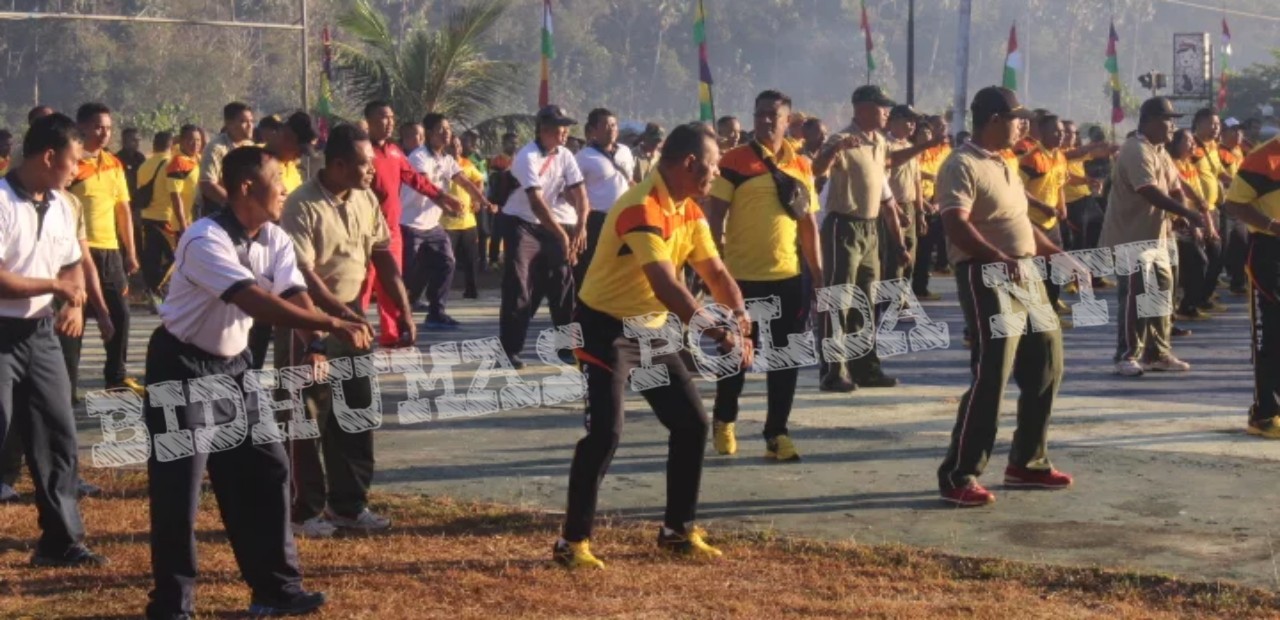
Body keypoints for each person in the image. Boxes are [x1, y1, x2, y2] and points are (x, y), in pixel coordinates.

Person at [143, 146, 373, 618]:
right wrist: (332, 324)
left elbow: (291, 293)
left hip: (235, 369)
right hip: (182, 369)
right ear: (246, 187)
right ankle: (172, 604)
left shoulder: (275, 237)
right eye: (277, 179)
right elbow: (256, 302)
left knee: (268, 472)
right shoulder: (204, 239)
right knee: (179, 492)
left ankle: (276, 590)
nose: (286, 187)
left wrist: (313, 341)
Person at [555, 122, 753, 569]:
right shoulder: (640, 206)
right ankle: (572, 543)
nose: (716, 174)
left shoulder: (690, 210)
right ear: (689, 163)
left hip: (648, 330)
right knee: (606, 433)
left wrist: (739, 319)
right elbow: (666, 284)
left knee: (691, 424)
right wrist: (714, 329)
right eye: (713, 166)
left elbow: (716, 274)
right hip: (603, 330)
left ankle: (676, 532)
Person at [935, 86, 1073, 507]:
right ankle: (959, 473)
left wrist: (1060, 255)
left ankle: (1026, 462)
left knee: (1048, 364)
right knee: (993, 373)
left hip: (1026, 272)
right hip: (988, 275)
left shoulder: (1006, 161)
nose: (1023, 125)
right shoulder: (961, 164)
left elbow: (1019, 224)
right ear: (994, 119)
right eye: (1017, 118)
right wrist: (998, 256)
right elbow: (956, 226)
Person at [278, 124, 415, 538]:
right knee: (307, 419)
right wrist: (331, 323)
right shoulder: (301, 206)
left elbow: (383, 256)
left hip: (353, 319)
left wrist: (402, 309)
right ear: (337, 165)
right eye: (364, 164)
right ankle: (303, 512)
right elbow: (303, 277)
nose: (372, 171)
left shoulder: (364, 199)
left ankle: (349, 506)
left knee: (355, 414)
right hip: (307, 320)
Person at [0, 112, 108, 567]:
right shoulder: (2, 201)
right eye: (74, 159)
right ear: (49, 156)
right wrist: (54, 288)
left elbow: (70, 262)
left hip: (40, 332)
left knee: (57, 434)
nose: (78, 168)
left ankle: (60, 541)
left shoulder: (62, 203)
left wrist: (75, 300)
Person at [705, 89, 822, 460]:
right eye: (759, 114)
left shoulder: (802, 164)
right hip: (739, 280)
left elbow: (808, 226)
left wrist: (818, 276)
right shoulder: (733, 161)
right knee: (735, 354)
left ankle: (777, 433)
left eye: (773, 114)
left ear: (789, 120)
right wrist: (714, 267)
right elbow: (714, 216)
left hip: (789, 276)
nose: (766, 120)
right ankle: (724, 419)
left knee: (786, 359)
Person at [811, 85, 935, 393]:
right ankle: (833, 371)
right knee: (838, 299)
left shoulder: (879, 141)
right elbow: (817, 169)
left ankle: (865, 367)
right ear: (862, 108)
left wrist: (920, 149)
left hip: (870, 228)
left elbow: (890, 166)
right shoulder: (841, 139)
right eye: (881, 108)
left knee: (866, 302)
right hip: (844, 226)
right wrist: (833, 151)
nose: (885, 113)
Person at [1101, 97, 1204, 377]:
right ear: (1150, 121)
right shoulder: (1136, 149)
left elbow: (1173, 187)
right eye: (1168, 119)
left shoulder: (1160, 151)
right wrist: (1187, 213)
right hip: (1131, 236)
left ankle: (1156, 353)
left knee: (1161, 294)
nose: (1173, 125)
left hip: (1158, 236)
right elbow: (1148, 190)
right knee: (1135, 296)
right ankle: (1126, 355)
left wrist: (1182, 213)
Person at [498, 105, 589, 369]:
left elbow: (580, 193)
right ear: (545, 130)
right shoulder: (527, 157)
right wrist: (562, 235)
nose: (566, 133)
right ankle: (510, 350)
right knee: (519, 285)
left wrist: (581, 225)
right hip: (521, 223)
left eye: (567, 128)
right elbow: (536, 203)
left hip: (551, 224)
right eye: (561, 128)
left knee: (562, 282)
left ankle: (565, 347)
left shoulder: (565, 154)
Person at [360, 101, 452, 348]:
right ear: (368, 120)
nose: (388, 122)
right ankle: (352, 334)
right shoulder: (360, 150)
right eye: (382, 117)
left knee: (392, 284)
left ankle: (391, 334)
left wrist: (441, 196)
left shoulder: (395, 152)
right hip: (362, 231)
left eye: (391, 117)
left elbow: (414, 179)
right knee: (362, 285)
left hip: (391, 231)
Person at [67, 102, 143, 396]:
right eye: (98, 127)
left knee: (120, 314)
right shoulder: (72, 164)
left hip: (110, 251)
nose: (104, 133)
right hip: (76, 252)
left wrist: (130, 251)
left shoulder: (113, 163)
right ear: (82, 127)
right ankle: (68, 385)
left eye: (109, 128)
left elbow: (123, 209)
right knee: (76, 319)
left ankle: (116, 376)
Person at [401, 112, 489, 330]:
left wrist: (484, 201)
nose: (447, 133)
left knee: (447, 262)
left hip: (432, 226)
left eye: (449, 129)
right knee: (409, 273)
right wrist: (448, 206)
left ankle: (436, 312)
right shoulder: (419, 157)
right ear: (429, 134)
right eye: (442, 130)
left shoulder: (447, 159)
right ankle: (401, 313)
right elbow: (426, 187)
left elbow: (466, 182)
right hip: (410, 224)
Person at [1223, 131, 1280, 438]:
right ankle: (1264, 413)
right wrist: (1272, 225)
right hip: (1271, 254)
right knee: (1269, 334)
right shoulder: (1263, 157)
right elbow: (1234, 204)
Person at [574, 107, 635, 284]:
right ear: (593, 130)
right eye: (606, 125)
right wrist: (583, 213)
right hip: (598, 218)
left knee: (622, 262)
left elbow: (629, 180)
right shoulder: (583, 157)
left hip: (625, 216)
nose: (612, 129)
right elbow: (572, 189)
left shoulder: (625, 151)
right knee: (594, 262)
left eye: (614, 125)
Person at [1019, 113, 1070, 311]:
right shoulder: (1031, 158)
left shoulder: (1060, 156)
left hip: (1052, 222)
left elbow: (1059, 185)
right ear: (1042, 133)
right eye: (1055, 131)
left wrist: (1062, 206)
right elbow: (1019, 190)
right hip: (1034, 222)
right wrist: (1041, 206)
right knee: (1037, 270)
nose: (1060, 135)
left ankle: (1053, 307)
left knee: (1055, 267)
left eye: (1062, 131)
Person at [1186, 108, 1227, 313]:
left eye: (1218, 125)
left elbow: (1220, 174)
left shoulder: (1212, 147)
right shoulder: (1190, 147)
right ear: (1198, 123)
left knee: (1216, 257)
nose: (1215, 128)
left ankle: (1202, 298)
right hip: (1197, 211)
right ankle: (1190, 302)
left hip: (1213, 209)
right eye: (1211, 124)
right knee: (1203, 258)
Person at [883, 105, 925, 307]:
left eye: (914, 121)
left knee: (911, 256)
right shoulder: (886, 146)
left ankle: (903, 295)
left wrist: (921, 212)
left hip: (909, 205)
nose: (912, 125)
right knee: (894, 256)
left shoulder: (910, 147)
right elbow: (883, 183)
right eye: (908, 120)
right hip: (891, 206)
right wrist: (897, 211)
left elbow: (916, 182)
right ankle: (893, 300)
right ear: (895, 121)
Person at [442, 135, 487, 299]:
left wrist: (477, 198)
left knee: (471, 259)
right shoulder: (441, 163)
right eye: (452, 146)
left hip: (468, 222)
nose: (456, 149)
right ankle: (442, 293)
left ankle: (471, 290)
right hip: (446, 223)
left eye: (458, 146)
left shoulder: (466, 164)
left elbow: (479, 179)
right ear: (446, 147)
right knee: (447, 261)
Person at [136, 131, 176, 306]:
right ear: (172, 145)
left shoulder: (144, 165)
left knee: (152, 257)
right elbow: (174, 193)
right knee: (176, 257)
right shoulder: (170, 164)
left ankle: (153, 292)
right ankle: (161, 290)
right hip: (166, 218)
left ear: (154, 145)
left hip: (147, 217)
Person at [914, 116, 952, 297]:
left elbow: (939, 176)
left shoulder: (940, 150)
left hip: (933, 203)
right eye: (923, 133)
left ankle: (921, 287)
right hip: (916, 203)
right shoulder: (913, 151)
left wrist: (936, 201)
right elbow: (910, 178)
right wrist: (925, 204)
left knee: (926, 249)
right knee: (913, 250)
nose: (927, 136)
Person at [198, 101, 256, 216]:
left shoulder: (250, 146)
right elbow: (207, 184)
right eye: (243, 121)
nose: (250, 126)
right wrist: (235, 205)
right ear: (229, 124)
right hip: (221, 211)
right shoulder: (216, 148)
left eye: (252, 121)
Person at [1220, 119, 1249, 295]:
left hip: (1240, 206)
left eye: (1240, 131)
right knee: (1223, 248)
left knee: (1242, 244)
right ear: (1224, 133)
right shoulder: (1218, 152)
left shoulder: (1239, 150)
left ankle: (1238, 283)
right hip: (1224, 205)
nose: (1239, 134)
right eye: (1234, 131)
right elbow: (1220, 175)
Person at [487, 132, 520, 269]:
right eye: (511, 142)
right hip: (500, 202)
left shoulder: (519, 159)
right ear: (504, 143)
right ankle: (493, 259)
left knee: (512, 233)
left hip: (516, 202)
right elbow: (493, 181)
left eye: (516, 142)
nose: (514, 145)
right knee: (497, 232)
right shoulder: (497, 160)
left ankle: (509, 257)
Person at [117, 127, 147, 201]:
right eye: (134, 140)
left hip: (138, 199)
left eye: (138, 140)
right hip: (122, 198)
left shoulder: (140, 158)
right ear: (124, 141)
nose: (137, 143)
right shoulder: (117, 159)